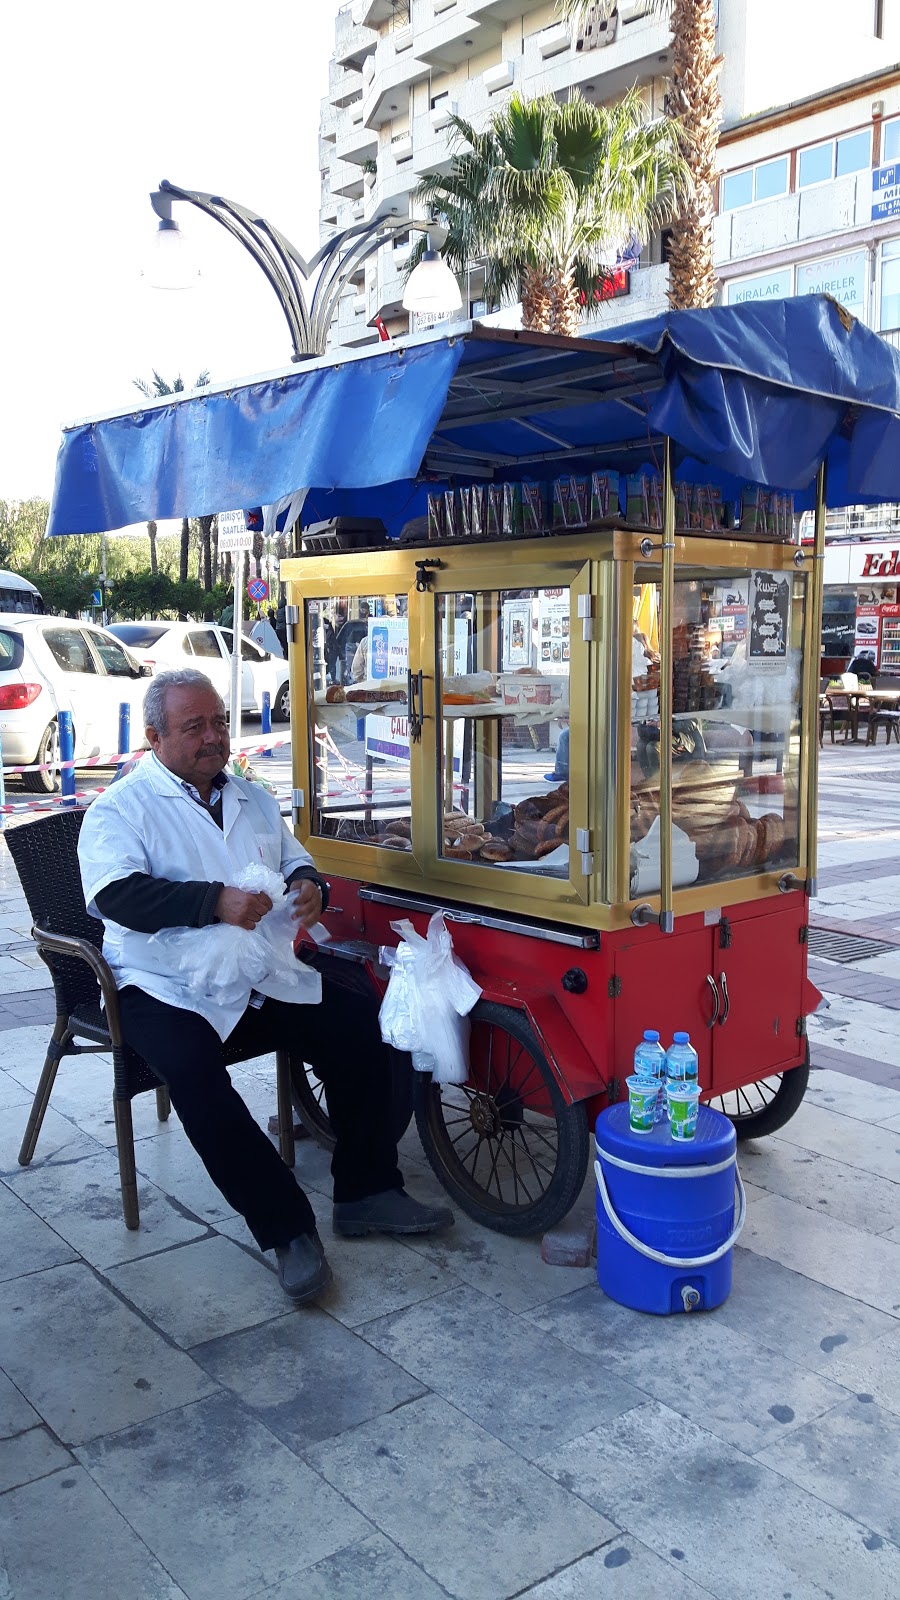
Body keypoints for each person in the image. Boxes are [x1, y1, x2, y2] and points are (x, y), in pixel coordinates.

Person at [78, 668, 452, 1306]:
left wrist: (313, 886)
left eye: (219, 721)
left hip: (253, 967)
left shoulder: (250, 796)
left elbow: (292, 857)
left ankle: (366, 1190)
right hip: (161, 982)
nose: (214, 736)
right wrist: (211, 901)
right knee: (198, 1079)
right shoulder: (123, 806)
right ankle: (287, 1230)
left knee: (359, 1019)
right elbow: (113, 895)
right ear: (153, 736)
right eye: (194, 726)